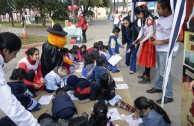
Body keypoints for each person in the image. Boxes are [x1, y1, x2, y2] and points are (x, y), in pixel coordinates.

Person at [0, 32, 39, 125]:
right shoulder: (23, 64)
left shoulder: (37, 61)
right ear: (5, 51)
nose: (15, 57)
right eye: (14, 53)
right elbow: (10, 104)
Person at [146, 0, 174, 104]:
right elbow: (157, 30)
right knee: (159, 70)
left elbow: (179, 37)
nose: (156, 10)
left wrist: (160, 41)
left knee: (164, 72)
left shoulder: (173, 20)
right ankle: (158, 87)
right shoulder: (161, 18)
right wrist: (154, 35)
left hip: (166, 50)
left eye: (158, 8)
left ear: (166, 9)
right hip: (159, 48)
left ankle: (168, 95)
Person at [134, 4, 156, 83]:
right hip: (146, 41)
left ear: (141, 13)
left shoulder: (149, 19)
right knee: (145, 59)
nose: (137, 16)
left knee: (148, 60)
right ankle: (145, 74)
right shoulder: (144, 19)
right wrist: (138, 39)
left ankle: (147, 77)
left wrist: (141, 41)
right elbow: (142, 30)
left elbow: (150, 33)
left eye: (137, 15)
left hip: (150, 42)